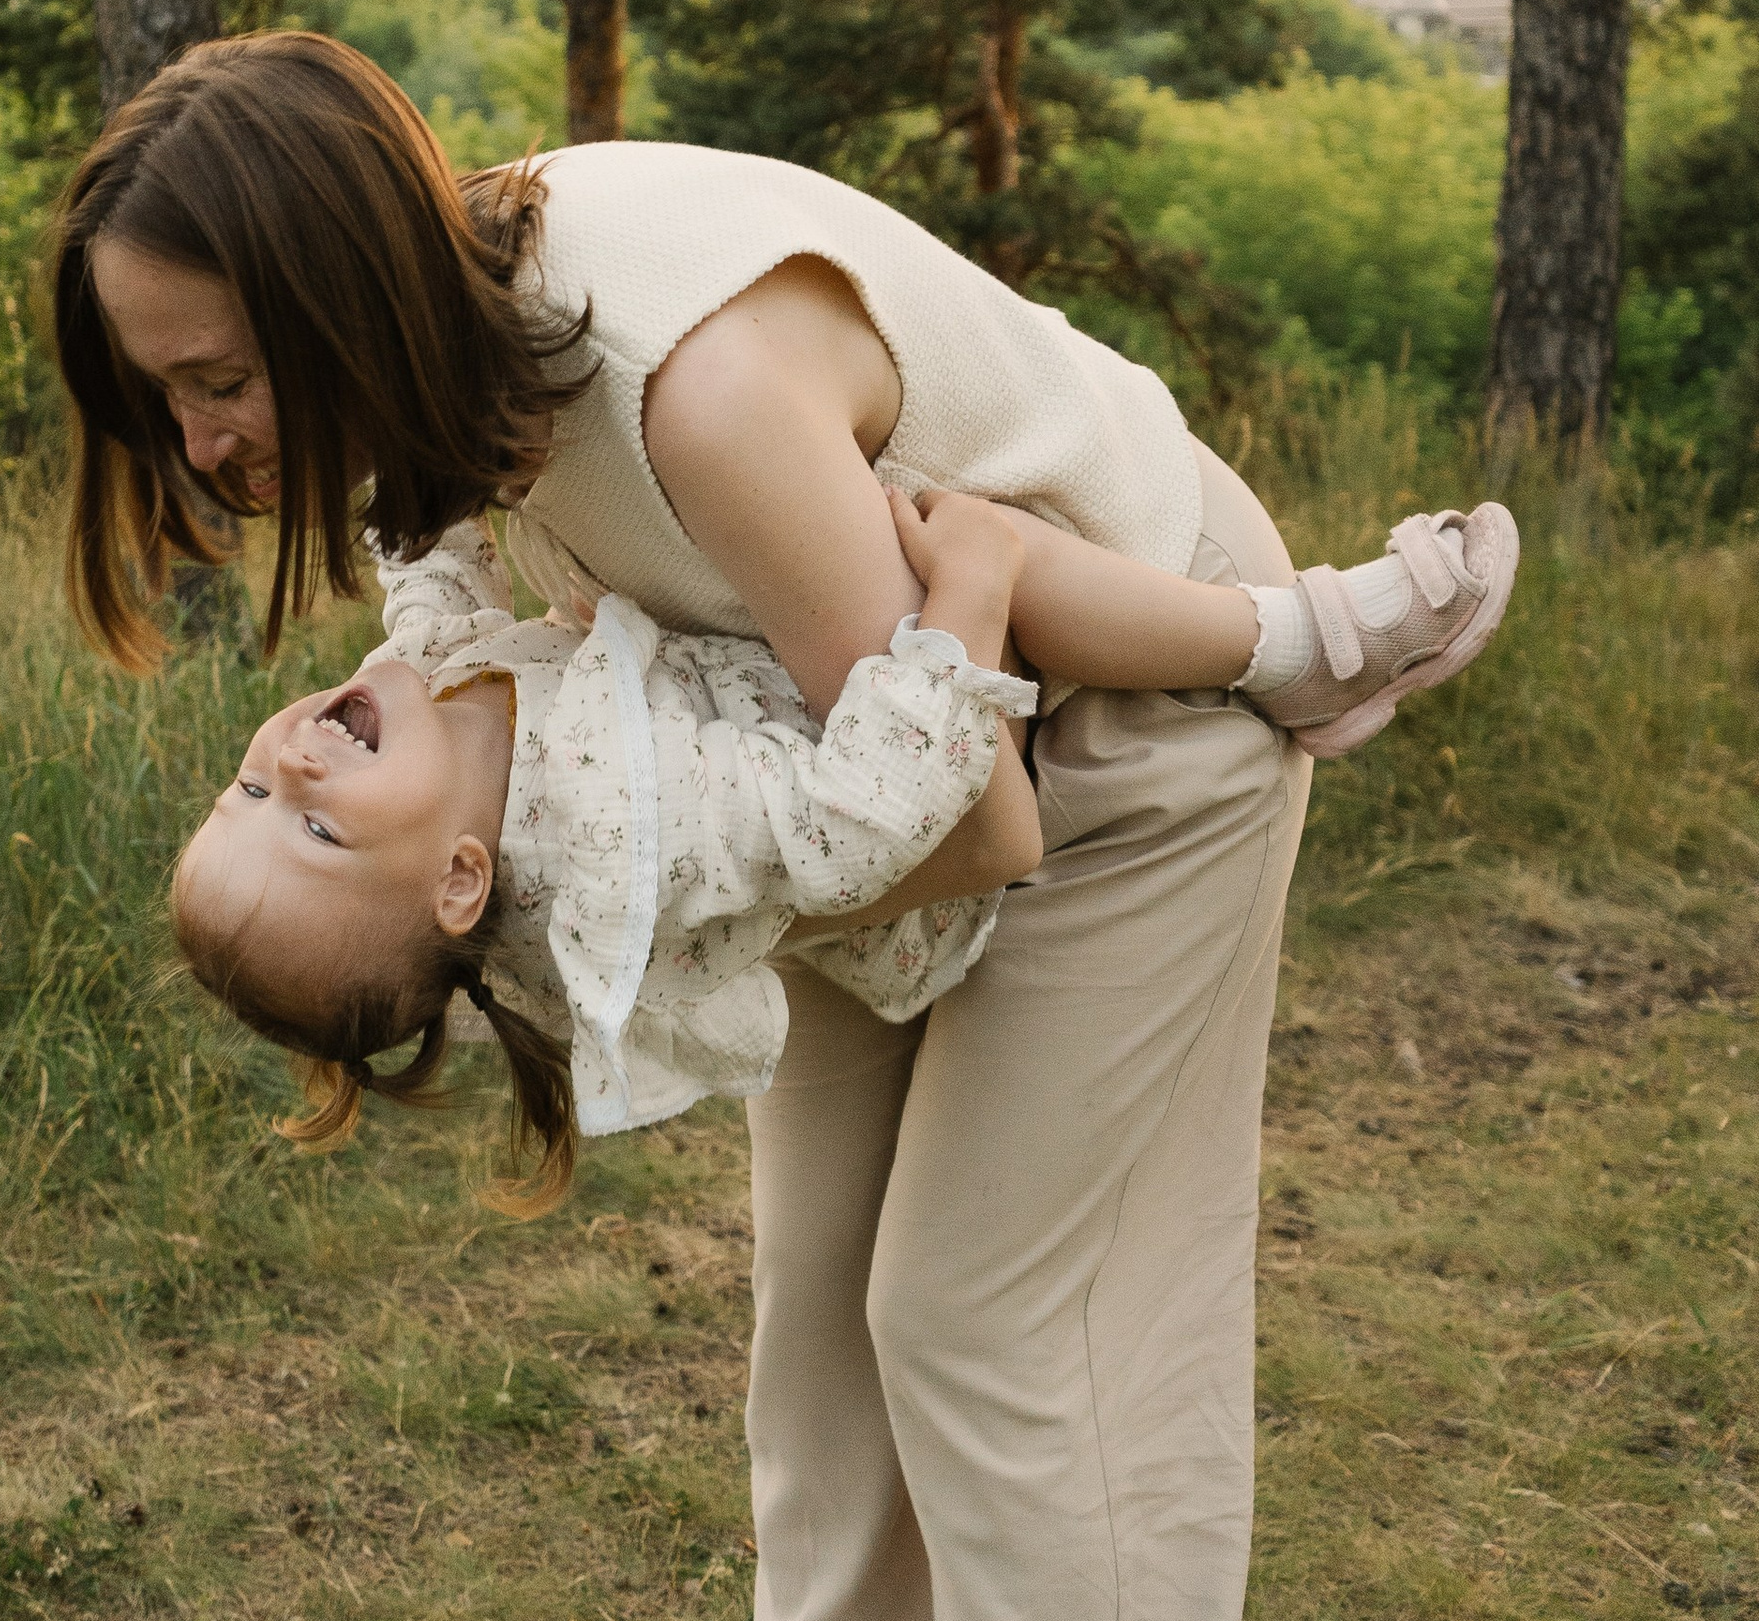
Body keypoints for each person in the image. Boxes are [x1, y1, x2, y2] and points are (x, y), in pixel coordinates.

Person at [49, 30, 1519, 1621]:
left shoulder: (693, 388)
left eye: (219, 378)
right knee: (819, 1338)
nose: (200, 442)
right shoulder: (445, 397)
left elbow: (981, 823)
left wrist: (658, 876)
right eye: (156, 394)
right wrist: (614, 845)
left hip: (1100, 752)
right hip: (832, 757)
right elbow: (606, 677)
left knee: (988, 1330)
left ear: (334, 295)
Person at [171, 483, 1514, 1202]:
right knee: (988, 550)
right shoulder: (608, 835)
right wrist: (970, 597)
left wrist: (388, 425)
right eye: (318, 827)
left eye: (245, 789)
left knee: (888, 529)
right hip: (898, 793)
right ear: (464, 881)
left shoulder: (435, 714)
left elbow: (427, 567)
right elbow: (861, 821)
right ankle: (1313, 645)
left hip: (798, 693)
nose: (287, 761)